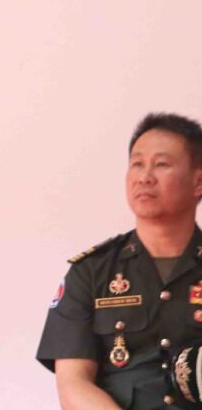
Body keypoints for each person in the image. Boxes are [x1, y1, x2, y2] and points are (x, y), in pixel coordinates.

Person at [37, 112, 202, 409]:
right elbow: (73, 384)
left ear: (198, 182)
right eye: (137, 164)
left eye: (161, 164)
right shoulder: (91, 272)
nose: (145, 177)